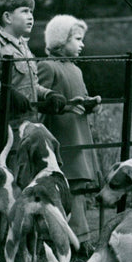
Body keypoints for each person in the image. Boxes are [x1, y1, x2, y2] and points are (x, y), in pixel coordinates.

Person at [0, 0, 67, 164]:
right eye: (25, 11)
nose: (31, 17)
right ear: (7, 17)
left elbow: (28, 85)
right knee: (0, 179)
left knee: (22, 177)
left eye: (32, 12)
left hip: (24, 126)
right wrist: (6, 92)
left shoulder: (24, 49)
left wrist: (48, 94)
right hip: (1, 129)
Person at [37, 14, 102, 245]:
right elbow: (42, 103)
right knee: (67, 184)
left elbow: (79, 97)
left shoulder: (76, 69)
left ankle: (79, 237)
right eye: (76, 38)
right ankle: (70, 238)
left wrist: (90, 103)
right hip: (61, 135)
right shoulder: (47, 66)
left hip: (78, 133)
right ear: (60, 41)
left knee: (79, 186)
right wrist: (64, 108)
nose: (81, 44)